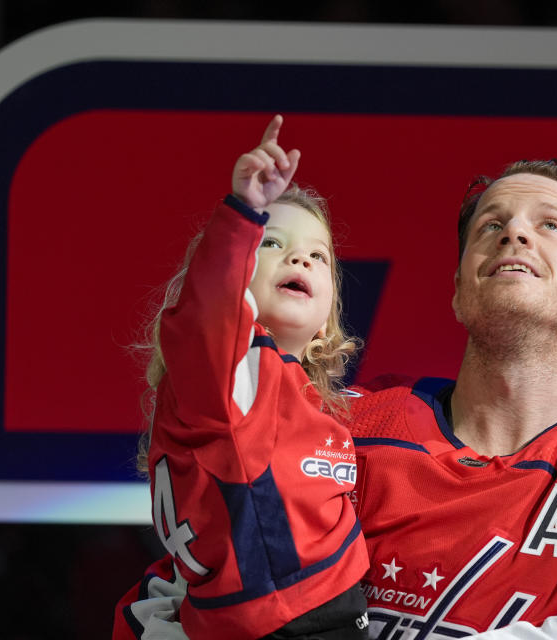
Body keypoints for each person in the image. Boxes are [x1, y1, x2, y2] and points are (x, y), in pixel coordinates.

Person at [115, 135, 557, 639]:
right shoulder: (341, 427)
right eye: (490, 225)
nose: (514, 233)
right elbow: (191, 589)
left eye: (549, 226)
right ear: (460, 288)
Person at [122, 115, 370, 639]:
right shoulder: (229, 371)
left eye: (319, 255)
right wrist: (243, 213)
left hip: (322, 613)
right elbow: (209, 314)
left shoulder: (315, 402)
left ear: (328, 323)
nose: (300, 255)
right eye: (272, 242)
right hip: (276, 621)